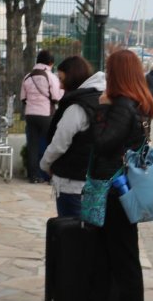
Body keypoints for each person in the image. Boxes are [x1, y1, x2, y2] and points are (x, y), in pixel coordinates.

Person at [48, 50, 153, 301]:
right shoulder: (135, 105)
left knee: (119, 263)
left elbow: (104, 142)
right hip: (118, 194)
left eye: (110, 70)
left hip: (113, 195)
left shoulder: (122, 106)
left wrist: (100, 112)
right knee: (107, 263)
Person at [41, 56, 105, 217]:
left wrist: (45, 164)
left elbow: (60, 143)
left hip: (72, 183)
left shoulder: (77, 107)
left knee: (72, 234)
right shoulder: (100, 99)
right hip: (95, 179)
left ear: (72, 78)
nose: (61, 85)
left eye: (62, 79)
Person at [21, 50, 62, 183]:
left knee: (32, 145)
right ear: (51, 63)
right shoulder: (51, 77)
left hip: (30, 114)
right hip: (46, 115)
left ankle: (33, 176)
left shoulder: (27, 77)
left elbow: (23, 97)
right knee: (50, 144)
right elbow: (56, 97)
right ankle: (49, 176)